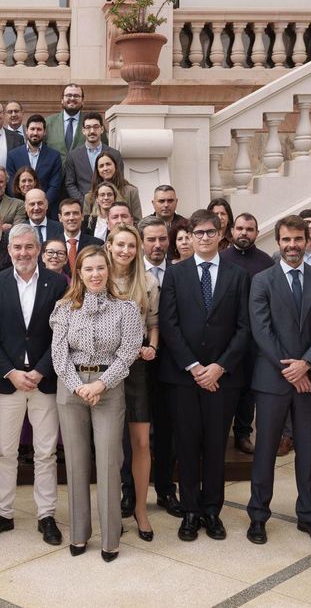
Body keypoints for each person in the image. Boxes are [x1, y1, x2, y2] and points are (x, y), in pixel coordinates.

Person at [159, 210, 252, 543]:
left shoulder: (238, 276)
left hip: (222, 378)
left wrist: (219, 366)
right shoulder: (175, 273)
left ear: (219, 234)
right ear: (189, 236)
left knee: (215, 446)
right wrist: (195, 367)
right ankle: (190, 512)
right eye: (197, 233)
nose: (204, 238)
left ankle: (212, 511)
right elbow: (168, 324)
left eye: (210, 232)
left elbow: (244, 327)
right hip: (185, 377)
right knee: (186, 445)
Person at [246, 215, 311, 547]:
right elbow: (261, 330)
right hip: (272, 379)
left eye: (298, 239)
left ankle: (309, 516)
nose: (292, 245)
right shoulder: (262, 281)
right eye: (286, 240)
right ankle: (258, 516)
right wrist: (291, 369)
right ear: (278, 241)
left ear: (308, 238)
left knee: (307, 451)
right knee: (266, 451)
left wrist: (307, 364)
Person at [50, 246, 144, 562]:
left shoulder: (126, 309)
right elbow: (58, 354)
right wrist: (80, 388)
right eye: (88, 269)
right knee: (76, 463)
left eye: (100, 268)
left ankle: (111, 539)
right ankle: (78, 534)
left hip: (110, 386)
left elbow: (129, 352)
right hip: (71, 389)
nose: (95, 274)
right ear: (79, 272)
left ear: (108, 270)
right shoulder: (64, 308)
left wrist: (101, 384)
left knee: (108, 463)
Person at [0, 224, 67, 546]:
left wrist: (41, 371)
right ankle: (3, 513)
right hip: (8, 382)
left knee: (45, 453)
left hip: (44, 380)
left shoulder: (57, 284)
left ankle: (46, 515)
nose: (23, 253)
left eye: (29, 247)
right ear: (9, 250)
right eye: (17, 248)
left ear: (38, 249)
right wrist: (12, 372)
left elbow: (62, 333)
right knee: (5, 451)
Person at [105, 224, 159, 539]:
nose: (126, 251)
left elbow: (153, 323)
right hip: (104, 368)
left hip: (136, 368)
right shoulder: (96, 276)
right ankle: (112, 510)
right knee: (110, 444)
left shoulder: (148, 281)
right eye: (120, 244)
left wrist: (152, 346)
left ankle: (140, 508)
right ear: (109, 245)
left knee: (140, 441)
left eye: (131, 246)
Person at [219, 213, 274, 456]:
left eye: (249, 229)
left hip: (254, 338)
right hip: (224, 337)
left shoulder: (266, 263)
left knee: (248, 389)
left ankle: (242, 434)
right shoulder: (220, 259)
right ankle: (219, 434)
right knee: (222, 387)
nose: (244, 233)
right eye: (240, 228)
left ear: (257, 233)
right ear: (231, 231)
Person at [138, 216, 179, 517]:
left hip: (171, 363)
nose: (157, 245)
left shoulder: (179, 273)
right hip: (135, 363)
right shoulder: (130, 274)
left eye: (162, 239)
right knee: (134, 433)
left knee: (167, 430)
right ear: (141, 242)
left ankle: (166, 490)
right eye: (151, 239)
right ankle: (131, 492)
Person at [5, 114, 62, 213]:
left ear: (44, 132)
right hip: (20, 210)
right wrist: (25, 206)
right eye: (32, 129)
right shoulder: (13, 155)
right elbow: (11, 185)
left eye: (39, 129)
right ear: (26, 131)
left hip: (46, 210)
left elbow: (55, 186)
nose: (35, 133)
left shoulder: (54, 156)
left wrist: (41, 204)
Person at [65, 112, 123, 202]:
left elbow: (119, 180)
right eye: (88, 128)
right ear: (83, 131)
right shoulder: (73, 156)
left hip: (110, 204)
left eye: (96, 127)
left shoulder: (115, 154)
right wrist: (84, 203)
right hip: (84, 206)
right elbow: (70, 184)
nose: (92, 131)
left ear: (102, 129)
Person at [86, 153, 142, 223]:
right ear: (97, 170)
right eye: (101, 166)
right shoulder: (89, 197)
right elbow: (86, 224)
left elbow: (138, 222)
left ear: (115, 166)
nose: (105, 168)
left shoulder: (131, 192)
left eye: (108, 164)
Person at [58, 198, 103, 274]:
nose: (71, 218)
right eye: (67, 214)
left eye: (75, 213)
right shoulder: (51, 245)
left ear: (82, 216)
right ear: (60, 218)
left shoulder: (97, 244)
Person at [45, 82, 85, 156]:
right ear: (62, 99)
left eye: (76, 96)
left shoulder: (92, 123)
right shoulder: (48, 123)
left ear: (82, 101)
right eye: (68, 95)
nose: (72, 98)